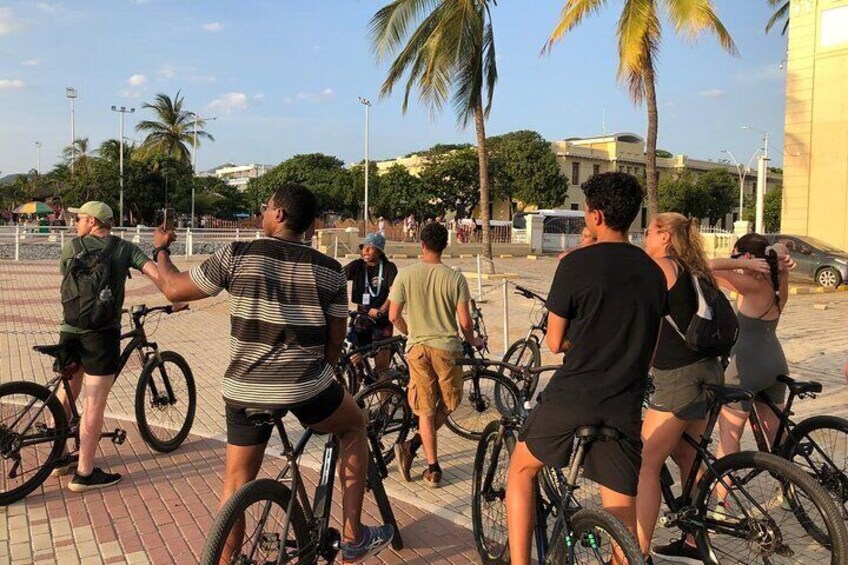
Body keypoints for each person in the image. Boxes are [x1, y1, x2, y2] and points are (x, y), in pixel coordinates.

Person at [150, 182, 393, 563]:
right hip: (305, 386)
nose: (263, 213)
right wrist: (325, 370)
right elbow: (335, 340)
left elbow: (173, 289)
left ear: (279, 214)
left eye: (265, 207)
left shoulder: (237, 254)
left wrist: (161, 250)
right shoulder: (329, 271)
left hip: (244, 387)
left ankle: (225, 559)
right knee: (354, 425)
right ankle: (354, 535)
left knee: (235, 485)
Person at [505, 172, 667, 565]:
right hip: (623, 405)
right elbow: (652, 347)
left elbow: (555, 341)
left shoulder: (577, 263)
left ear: (595, 216)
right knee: (621, 520)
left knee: (521, 472)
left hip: (573, 397)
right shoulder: (654, 272)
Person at [54, 201, 168, 492]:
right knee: (94, 403)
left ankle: (58, 457)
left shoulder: (71, 248)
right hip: (101, 335)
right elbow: (156, 275)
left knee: (67, 393)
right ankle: (85, 472)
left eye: (79, 218)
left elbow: (67, 283)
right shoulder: (123, 248)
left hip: (69, 330)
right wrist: (176, 298)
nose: (76, 223)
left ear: (93, 221)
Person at [636, 213, 725, 563]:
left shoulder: (661, 268)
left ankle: (636, 552)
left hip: (678, 377)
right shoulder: (696, 269)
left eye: (649, 231)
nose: (644, 236)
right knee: (688, 457)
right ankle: (694, 541)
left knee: (646, 462)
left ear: (666, 238)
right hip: (708, 370)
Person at [388, 223, 485, 486]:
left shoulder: (406, 275)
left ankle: (414, 448)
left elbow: (393, 316)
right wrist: (473, 339)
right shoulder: (455, 278)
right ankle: (432, 466)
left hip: (417, 350)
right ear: (445, 245)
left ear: (422, 245)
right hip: (448, 350)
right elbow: (465, 322)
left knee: (426, 409)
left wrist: (410, 333)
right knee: (449, 404)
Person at [710, 234, 793, 466]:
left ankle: (720, 502)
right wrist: (779, 250)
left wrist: (742, 264)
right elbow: (784, 245)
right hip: (775, 362)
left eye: (735, 255)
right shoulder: (779, 280)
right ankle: (791, 486)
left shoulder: (752, 284)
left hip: (746, 367)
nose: (732, 259)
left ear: (747, 256)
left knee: (729, 436)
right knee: (778, 438)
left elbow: (707, 266)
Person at [344, 232, 398, 377]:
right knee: (355, 358)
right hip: (362, 318)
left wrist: (381, 310)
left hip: (381, 320)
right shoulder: (357, 266)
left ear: (379, 251)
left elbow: (394, 293)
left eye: (370, 248)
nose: (365, 251)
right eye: (364, 247)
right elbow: (338, 277)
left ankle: (385, 394)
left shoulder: (389, 268)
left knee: (382, 368)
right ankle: (361, 377)